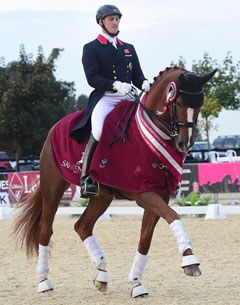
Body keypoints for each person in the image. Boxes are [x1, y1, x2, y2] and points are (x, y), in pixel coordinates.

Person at [70, 4, 150, 197]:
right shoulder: (91, 48)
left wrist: (146, 83)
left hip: (129, 96)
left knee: (148, 123)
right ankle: (86, 177)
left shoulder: (128, 48)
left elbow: (137, 75)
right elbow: (92, 78)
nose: (115, 23)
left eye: (117, 19)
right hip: (106, 97)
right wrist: (114, 84)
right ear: (101, 22)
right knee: (98, 130)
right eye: (111, 19)